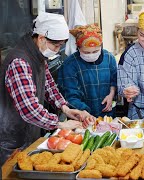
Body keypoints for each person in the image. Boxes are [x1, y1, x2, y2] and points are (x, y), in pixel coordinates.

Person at [0, 13, 94, 170]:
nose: (57, 51)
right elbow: (29, 109)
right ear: (42, 38)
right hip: (11, 138)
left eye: (60, 46)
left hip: (29, 132)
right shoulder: (20, 62)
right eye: (55, 46)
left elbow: (49, 86)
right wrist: (59, 124)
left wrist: (66, 109)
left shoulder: (38, 55)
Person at [58, 24, 117, 118]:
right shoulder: (70, 64)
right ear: (78, 48)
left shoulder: (109, 58)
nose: (91, 55)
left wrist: (111, 95)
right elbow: (70, 95)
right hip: (81, 116)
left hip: (107, 114)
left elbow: (115, 81)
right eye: (86, 52)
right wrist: (84, 113)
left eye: (95, 51)